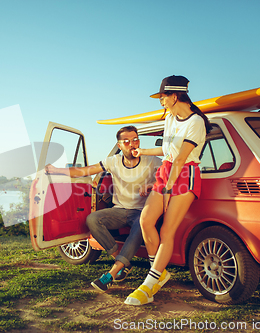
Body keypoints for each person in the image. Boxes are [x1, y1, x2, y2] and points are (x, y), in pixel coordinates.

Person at [124, 75, 212, 306]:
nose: (160, 101)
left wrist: (167, 191)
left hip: (185, 175)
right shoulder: (170, 118)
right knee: (146, 221)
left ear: (175, 96)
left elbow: (182, 159)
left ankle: (148, 285)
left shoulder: (196, 122)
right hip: (167, 171)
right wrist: (143, 152)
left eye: (162, 97)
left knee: (167, 232)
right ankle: (159, 272)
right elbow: (168, 152)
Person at [45, 126, 160, 292]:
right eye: (127, 141)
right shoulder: (113, 161)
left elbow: (169, 177)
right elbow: (86, 170)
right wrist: (57, 171)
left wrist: (152, 185)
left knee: (140, 224)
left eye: (135, 139)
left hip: (143, 211)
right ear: (119, 146)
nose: (132, 144)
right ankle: (121, 262)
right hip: (120, 210)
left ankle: (111, 274)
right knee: (92, 219)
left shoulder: (152, 160)